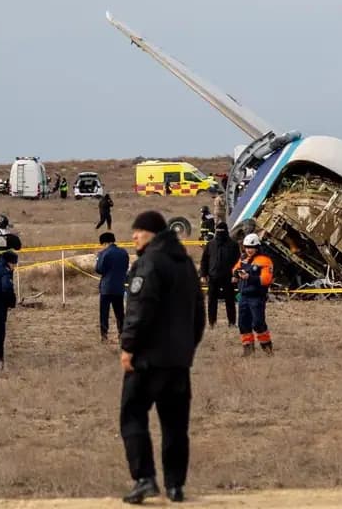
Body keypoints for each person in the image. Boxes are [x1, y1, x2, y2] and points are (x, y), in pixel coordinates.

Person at [119, 210, 205, 504]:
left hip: (147, 361)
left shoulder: (149, 263)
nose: (134, 237)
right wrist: (186, 350)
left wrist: (128, 346)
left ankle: (144, 478)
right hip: (178, 363)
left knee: (132, 416)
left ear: (152, 234)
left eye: (138, 232)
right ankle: (175, 486)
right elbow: (199, 315)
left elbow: (140, 309)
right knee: (175, 426)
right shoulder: (185, 265)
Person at [232, 233, 274, 356]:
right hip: (243, 296)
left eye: (251, 247)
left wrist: (249, 277)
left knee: (258, 323)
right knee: (243, 324)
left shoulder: (265, 260)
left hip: (257, 297)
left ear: (257, 247)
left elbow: (266, 279)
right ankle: (248, 349)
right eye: (246, 247)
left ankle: (267, 347)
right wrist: (235, 275)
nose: (249, 250)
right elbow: (235, 268)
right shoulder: (243, 258)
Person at [199, 222, 239, 328]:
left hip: (228, 278)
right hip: (213, 277)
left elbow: (238, 262)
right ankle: (212, 322)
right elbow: (204, 261)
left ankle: (232, 322)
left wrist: (236, 275)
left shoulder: (233, 245)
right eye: (218, 231)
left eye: (222, 231)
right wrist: (203, 274)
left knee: (230, 300)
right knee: (212, 300)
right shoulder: (210, 244)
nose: (220, 233)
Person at [96, 232, 130, 342]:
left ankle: (104, 335)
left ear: (105, 242)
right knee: (120, 313)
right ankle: (122, 334)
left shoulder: (104, 253)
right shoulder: (124, 253)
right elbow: (125, 268)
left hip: (106, 288)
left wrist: (97, 259)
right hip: (119, 287)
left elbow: (99, 269)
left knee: (104, 313)